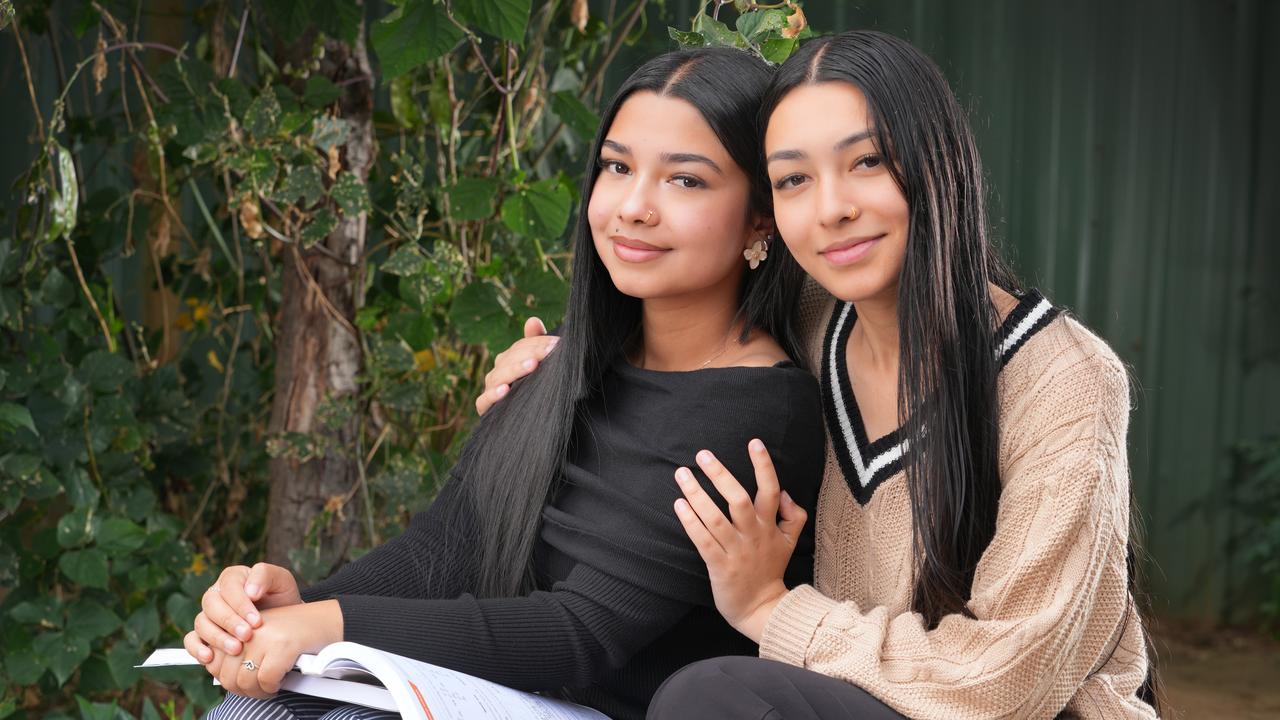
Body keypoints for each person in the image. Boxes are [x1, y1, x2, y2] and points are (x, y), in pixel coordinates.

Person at [487, 31, 1161, 720]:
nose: (831, 208)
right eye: (793, 179)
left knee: (710, 695)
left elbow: (1009, 680)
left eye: (866, 161)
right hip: (842, 693)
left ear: (939, 164)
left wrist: (772, 609)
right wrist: (559, 361)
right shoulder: (811, 311)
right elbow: (683, 324)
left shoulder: (1062, 380)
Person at [185, 47, 827, 720]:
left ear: (761, 215)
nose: (633, 207)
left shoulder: (756, 408)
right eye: (616, 167)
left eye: (686, 181)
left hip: (615, 706)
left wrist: (331, 623)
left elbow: (582, 632)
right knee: (255, 708)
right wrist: (301, 603)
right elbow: (449, 545)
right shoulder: (557, 363)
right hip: (506, 697)